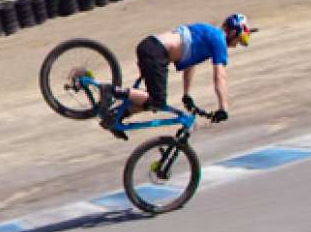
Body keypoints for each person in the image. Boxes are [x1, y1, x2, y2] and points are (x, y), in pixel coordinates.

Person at [99, 13, 255, 138]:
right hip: (156, 52)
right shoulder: (219, 40)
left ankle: (114, 116)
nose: (235, 45)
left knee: (151, 102)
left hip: (153, 48)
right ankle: (111, 91)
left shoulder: (209, 35)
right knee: (158, 100)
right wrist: (223, 108)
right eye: (238, 40)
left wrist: (186, 94)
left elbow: (190, 64)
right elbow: (220, 77)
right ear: (233, 32)